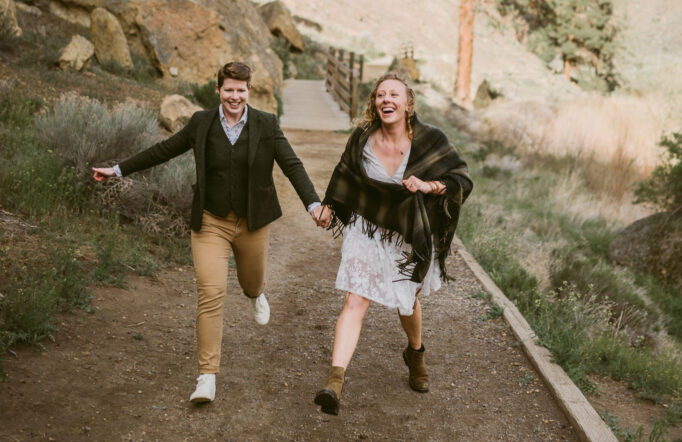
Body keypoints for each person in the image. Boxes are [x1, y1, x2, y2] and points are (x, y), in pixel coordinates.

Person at [93, 60, 324, 405]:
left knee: (251, 282)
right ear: (218, 91)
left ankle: (256, 292)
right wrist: (118, 169)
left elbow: (291, 165)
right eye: (228, 90)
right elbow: (164, 150)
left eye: (240, 90)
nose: (234, 96)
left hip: (252, 222)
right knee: (211, 292)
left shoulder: (265, 123)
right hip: (211, 222)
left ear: (249, 91)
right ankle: (207, 377)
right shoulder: (201, 123)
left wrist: (313, 205)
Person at [313, 73, 473, 415]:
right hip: (365, 227)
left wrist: (429, 186)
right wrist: (329, 206)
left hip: (408, 230)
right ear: (375, 103)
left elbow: (460, 179)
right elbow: (344, 175)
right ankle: (334, 382)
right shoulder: (362, 138)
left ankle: (415, 353)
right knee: (356, 298)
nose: (387, 100)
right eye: (381, 95)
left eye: (394, 95)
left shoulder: (431, 139)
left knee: (406, 302)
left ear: (408, 104)